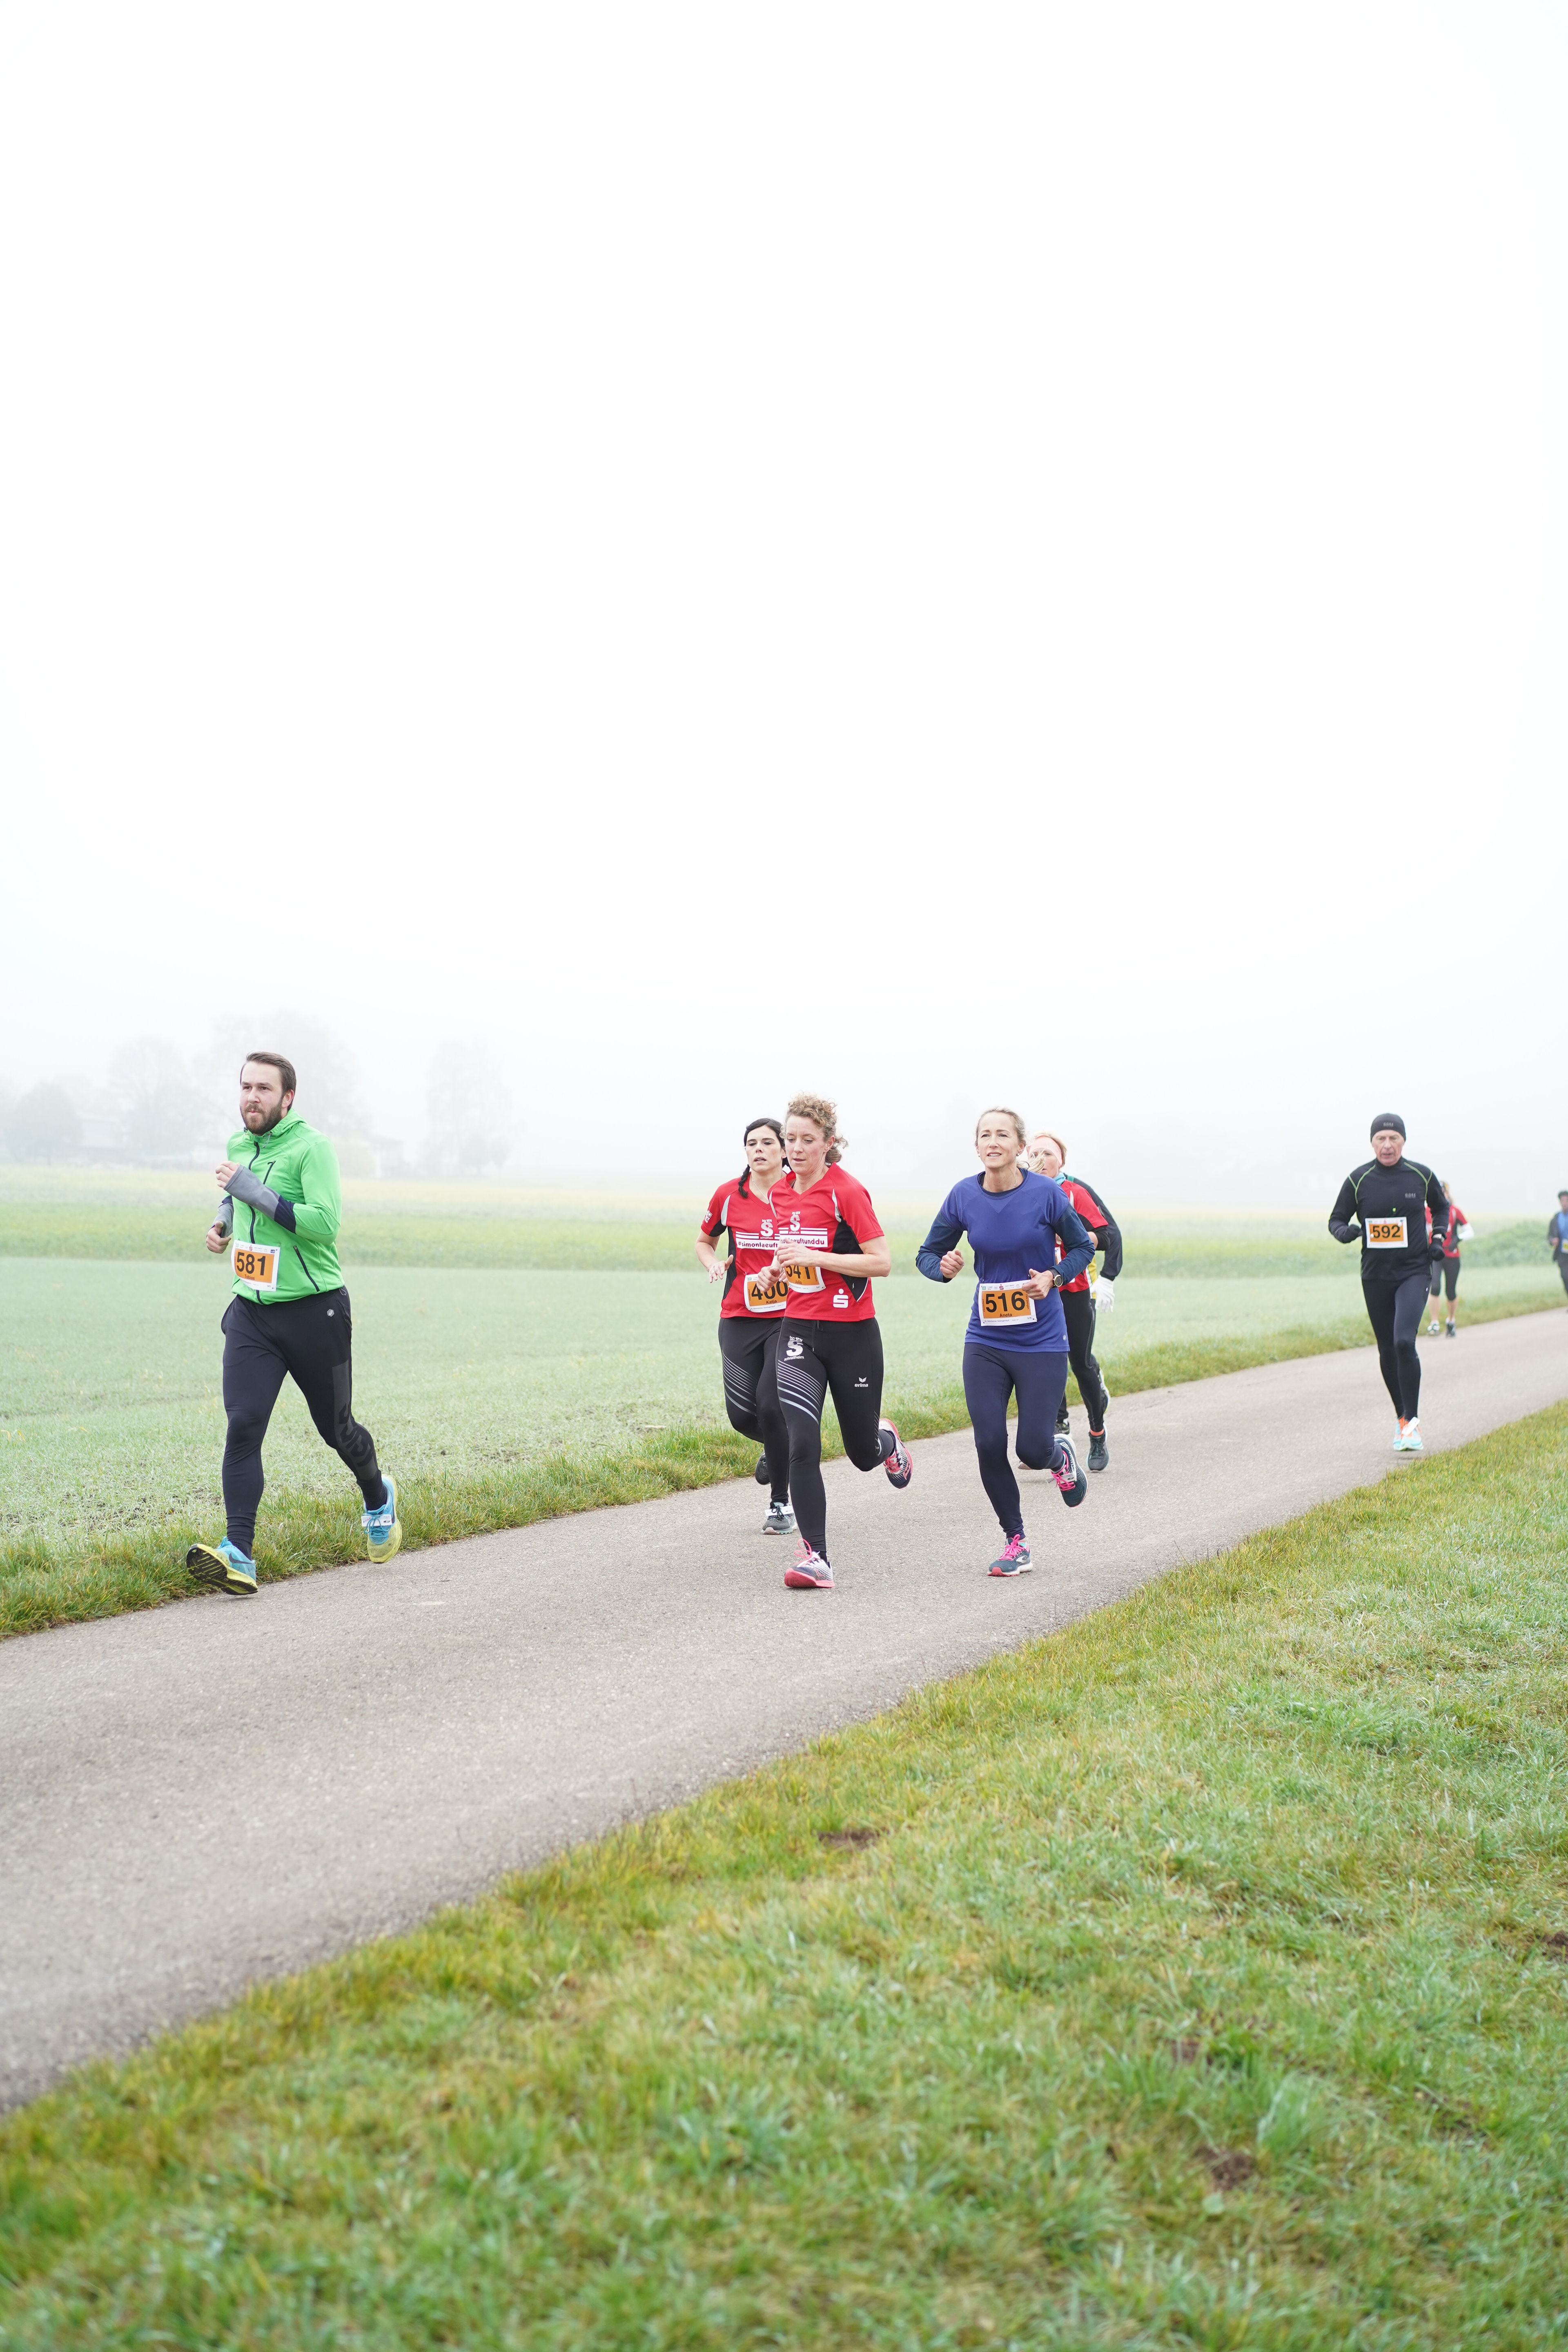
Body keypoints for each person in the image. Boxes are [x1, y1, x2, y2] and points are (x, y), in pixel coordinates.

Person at [185, 1052, 399, 1597]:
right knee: (244, 1423)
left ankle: (378, 1498)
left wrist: (253, 1191)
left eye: (263, 1089)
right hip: (252, 1313)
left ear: (288, 1097)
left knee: (337, 1430)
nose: (251, 1098)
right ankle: (239, 1553)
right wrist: (222, 1223)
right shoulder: (240, 1144)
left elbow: (325, 1225)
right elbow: (234, 1196)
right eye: (245, 1087)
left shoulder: (312, 1148)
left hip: (314, 1312)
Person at [918, 1108, 1096, 1576]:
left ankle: (1059, 1457)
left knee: (1032, 1450)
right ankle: (1016, 1540)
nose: (993, 1141)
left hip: (1041, 1338)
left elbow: (1084, 1246)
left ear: (1020, 1147)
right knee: (989, 1442)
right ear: (977, 1146)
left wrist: (1055, 1276)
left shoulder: (1046, 1194)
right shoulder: (963, 1195)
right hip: (986, 1338)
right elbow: (927, 1253)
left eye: (1002, 1135)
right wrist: (943, 1268)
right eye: (985, 1135)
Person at [756, 1094, 912, 1590]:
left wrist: (817, 1258)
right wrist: (774, 1270)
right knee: (802, 1442)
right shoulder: (780, 1193)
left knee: (862, 1454)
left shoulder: (847, 1191)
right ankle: (816, 1558)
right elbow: (791, 1253)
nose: (796, 1149)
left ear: (828, 1144)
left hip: (853, 1336)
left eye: (808, 1140)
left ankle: (887, 1440)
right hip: (799, 1332)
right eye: (790, 1140)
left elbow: (881, 1262)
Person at [696, 1117, 795, 1536]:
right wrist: (713, 1263)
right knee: (742, 1416)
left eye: (767, 1143)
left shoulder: (799, 1193)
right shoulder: (728, 1195)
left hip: (789, 1317)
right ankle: (780, 1447)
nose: (758, 1149)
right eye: (752, 1143)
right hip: (738, 1316)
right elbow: (705, 1241)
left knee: (772, 1406)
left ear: (784, 1151)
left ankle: (781, 1504)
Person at [1327, 1114, 1448, 1453]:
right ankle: (1401, 1418)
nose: (1387, 1145)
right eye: (1381, 1138)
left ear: (1403, 1141)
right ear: (1372, 1143)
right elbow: (1336, 1219)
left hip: (1414, 1271)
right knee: (1387, 1349)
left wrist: (1439, 1237)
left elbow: (1442, 1208)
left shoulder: (1421, 1175)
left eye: (1394, 1138)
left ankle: (1412, 1423)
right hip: (1376, 1275)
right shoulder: (1358, 1179)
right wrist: (1344, 1232)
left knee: (1404, 1342)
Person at [1021, 1129, 1120, 1471]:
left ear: (1061, 1161)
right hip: (1038, 1292)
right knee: (1046, 1362)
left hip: (1075, 1291)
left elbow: (1108, 1235)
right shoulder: (1020, 1192)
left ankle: (1097, 1432)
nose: (1041, 1159)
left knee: (1079, 1363)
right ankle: (1057, 1434)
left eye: (1049, 1154)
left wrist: (1076, 1237)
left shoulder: (1075, 1192)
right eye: (1035, 1153)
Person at [1426, 1182, 1471, 1339]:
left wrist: (1457, 1239)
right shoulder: (1426, 1212)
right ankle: (1434, 1323)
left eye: (1443, 1192)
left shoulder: (1454, 1211)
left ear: (1447, 1193)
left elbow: (1469, 1231)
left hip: (1452, 1256)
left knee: (1450, 1291)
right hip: (1435, 1255)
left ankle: (1451, 1321)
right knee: (1435, 1287)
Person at [1548, 1191, 1568, 1306]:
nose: (1565, 1203)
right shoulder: (1556, 1218)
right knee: (1565, 1277)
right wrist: (1553, 1241)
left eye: (1567, 1201)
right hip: (1562, 1253)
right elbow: (1550, 1236)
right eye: (1563, 1201)